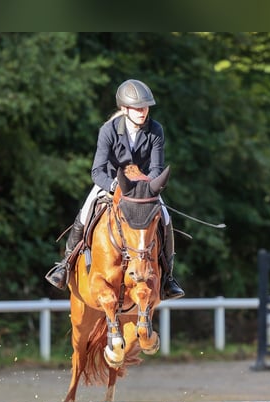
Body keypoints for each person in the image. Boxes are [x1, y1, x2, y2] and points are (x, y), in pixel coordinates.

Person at [45, 78, 185, 300]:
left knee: (165, 217)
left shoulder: (155, 130)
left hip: (143, 188)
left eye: (145, 107)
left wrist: (146, 188)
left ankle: (168, 277)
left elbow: (157, 168)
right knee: (86, 209)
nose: (143, 112)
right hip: (110, 183)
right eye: (137, 108)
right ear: (124, 108)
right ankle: (65, 264)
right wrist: (114, 187)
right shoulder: (108, 130)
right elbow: (96, 170)